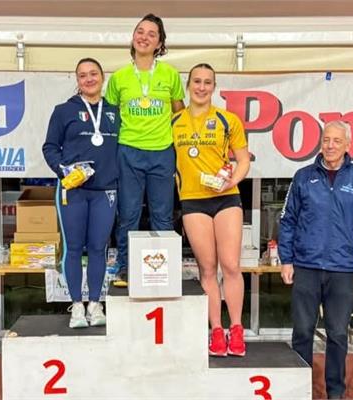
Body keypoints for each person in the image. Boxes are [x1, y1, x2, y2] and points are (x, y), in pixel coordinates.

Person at [278, 120, 353, 398]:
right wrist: (286, 260)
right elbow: (288, 220)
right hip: (306, 266)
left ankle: (335, 392)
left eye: (337, 140)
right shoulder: (303, 177)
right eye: (326, 140)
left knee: (337, 334)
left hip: (342, 269)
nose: (330, 145)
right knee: (302, 331)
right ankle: (299, 390)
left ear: (348, 144)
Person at [172, 63, 251, 357]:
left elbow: (243, 159)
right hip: (193, 201)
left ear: (214, 87)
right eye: (197, 81)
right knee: (207, 268)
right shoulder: (174, 121)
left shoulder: (227, 119)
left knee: (230, 265)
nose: (201, 87)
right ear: (188, 85)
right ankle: (216, 330)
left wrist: (233, 179)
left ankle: (237, 328)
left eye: (207, 82)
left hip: (225, 197)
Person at [105, 13, 185, 286]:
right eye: (140, 31)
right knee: (128, 215)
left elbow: (179, 113)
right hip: (128, 151)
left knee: (162, 216)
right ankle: (125, 268)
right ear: (133, 37)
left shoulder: (170, 74)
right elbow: (111, 117)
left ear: (160, 43)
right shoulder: (119, 77)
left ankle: (164, 270)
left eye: (152, 34)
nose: (144, 37)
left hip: (162, 151)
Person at [42, 58, 120, 328]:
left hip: (105, 191)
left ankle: (95, 305)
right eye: (83, 75)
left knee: (99, 248)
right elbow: (50, 147)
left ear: (102, 77)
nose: (89, 79)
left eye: (93, 74)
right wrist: (64, 171)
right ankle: (76, 306)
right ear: (77, 80)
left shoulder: (115, 112)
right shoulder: (63, 111)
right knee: (73, 248)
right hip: (73, 190)